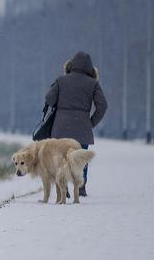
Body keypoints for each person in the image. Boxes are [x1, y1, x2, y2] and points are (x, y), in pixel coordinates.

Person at [44, 50, 107, 197]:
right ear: (91, 69)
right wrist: (91, 122)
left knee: (61, 158)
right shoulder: (93, 84)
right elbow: (103, 106)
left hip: (60, 129)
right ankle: (80, 187)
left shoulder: (61, 81)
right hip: (82, 128)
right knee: (81, 158)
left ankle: (63, 186)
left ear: (70, 65)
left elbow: (49, 99)